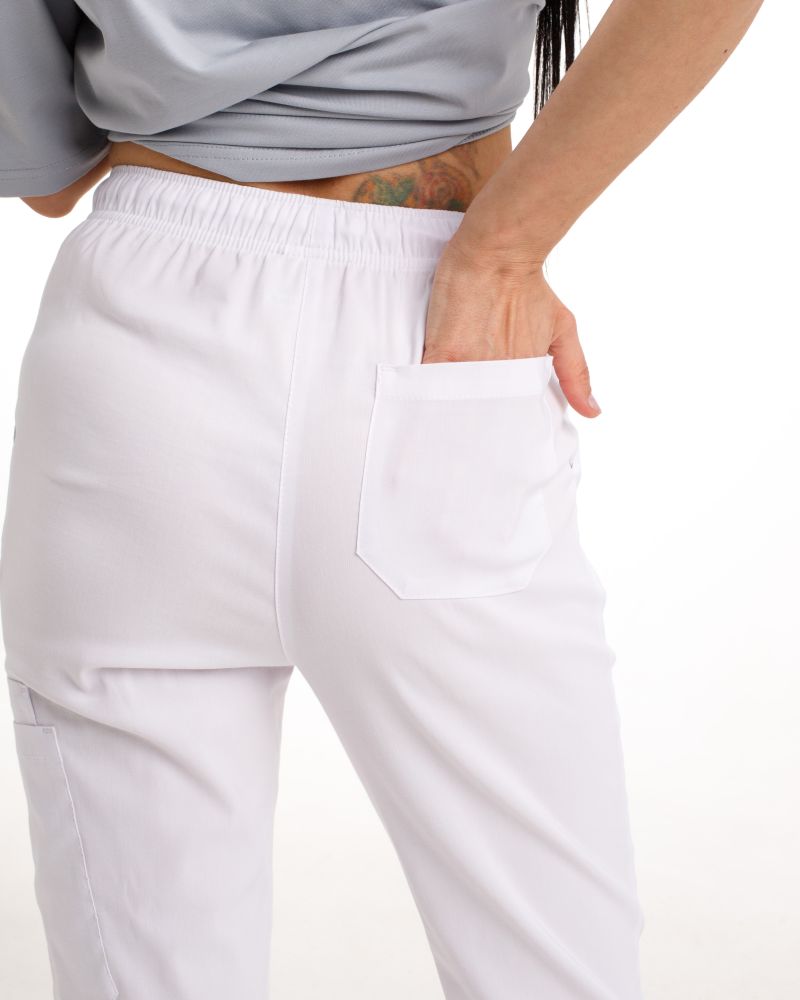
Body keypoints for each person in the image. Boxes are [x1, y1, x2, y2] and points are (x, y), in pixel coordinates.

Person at [0, 2, 764, 999]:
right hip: (427, 321)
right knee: (550, 964)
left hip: (133, 345)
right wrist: (503, 250)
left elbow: (49, 172)